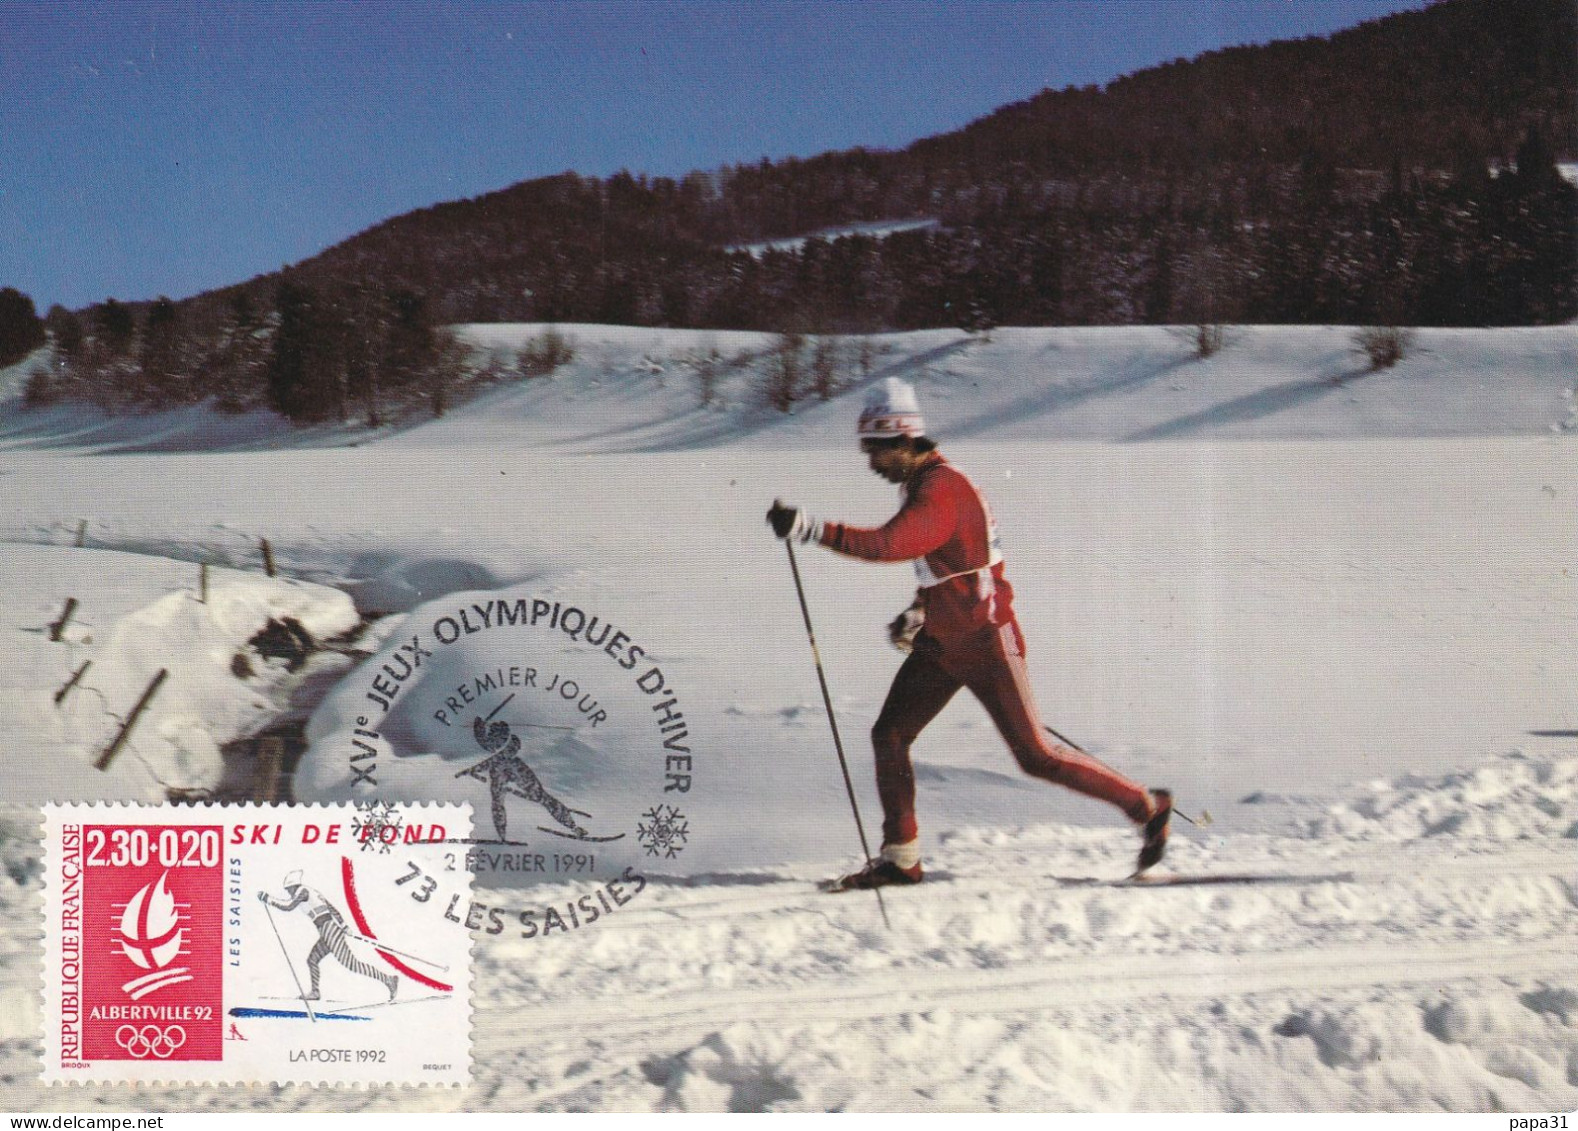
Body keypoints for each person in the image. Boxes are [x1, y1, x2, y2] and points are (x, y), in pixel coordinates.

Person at [767, 377, 1171, 889]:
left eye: (876, 449)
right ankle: (901, 858)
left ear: (904, 440)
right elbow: (945, 564)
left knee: (1036, 757)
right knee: (890, 735)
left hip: (986, 642)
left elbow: (891, 544)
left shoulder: (941, 491)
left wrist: (812, 528)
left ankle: (1147, 806)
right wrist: (919, 613)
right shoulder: (922, 486)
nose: (870, 461)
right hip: (943, 643)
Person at [259, 870, 397, 1001]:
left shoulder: (303, 891)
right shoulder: (313, 892)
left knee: (351, 964)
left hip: (329, 929)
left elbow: (288, 906)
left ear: (293, 886)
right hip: (327, 930)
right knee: (312, 960)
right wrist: (344, 926)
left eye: (288, 890)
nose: (289, 893)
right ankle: (315, 992)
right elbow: (332, 909)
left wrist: (268, 899)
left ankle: (388, 979)